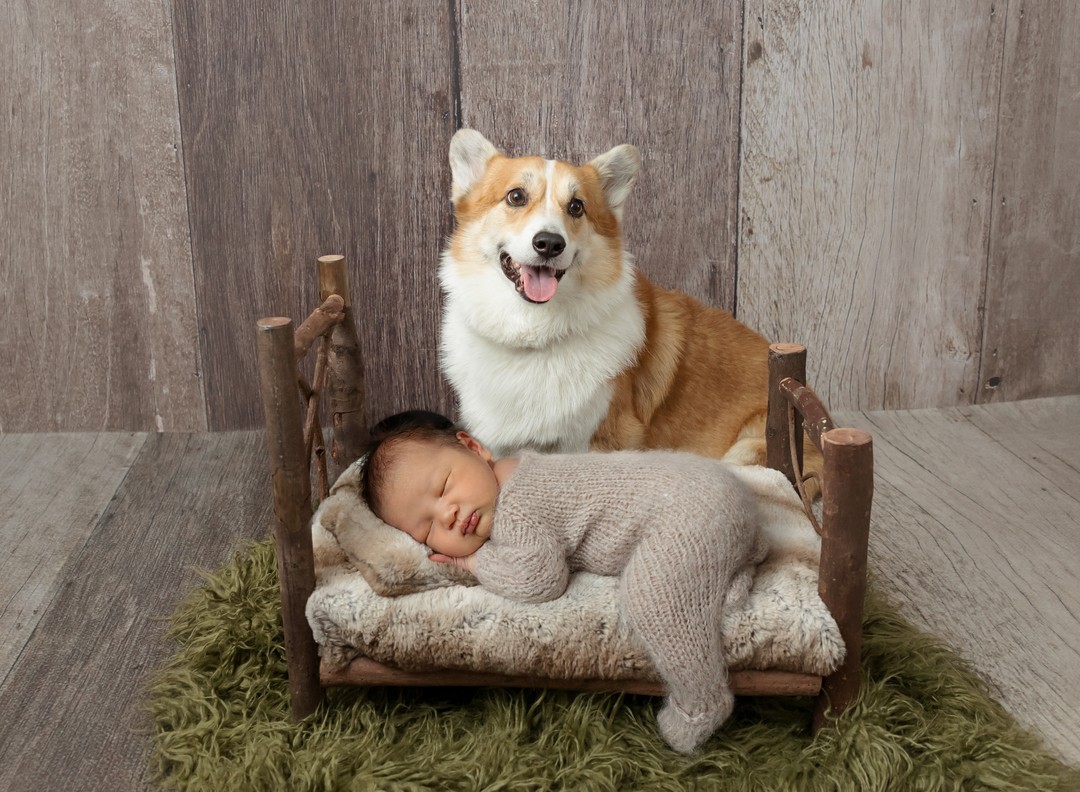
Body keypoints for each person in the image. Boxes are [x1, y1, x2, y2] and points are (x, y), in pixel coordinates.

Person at [358, 415, 768, 753]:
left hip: (692, 506)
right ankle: (734, 560)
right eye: (427, 527)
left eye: (444, 486)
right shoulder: (519, 468)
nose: (447, 514)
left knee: (649, 596)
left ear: (474, 448)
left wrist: (474, 561)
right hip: (712, 488)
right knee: (684, 563)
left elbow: (540, 580)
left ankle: (702, 701)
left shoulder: (517, 503)